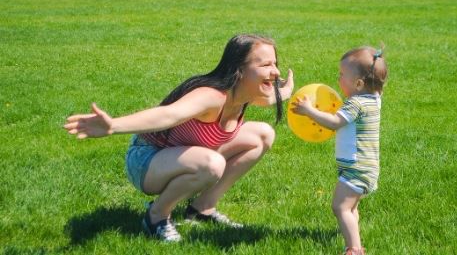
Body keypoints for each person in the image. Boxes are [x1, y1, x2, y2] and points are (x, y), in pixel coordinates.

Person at [64, 34, 294, 242]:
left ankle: (202, 208)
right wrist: (113, 125)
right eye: (265, 65)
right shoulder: (212, 97)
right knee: (212, 164)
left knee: (263, 134)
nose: (275, 72)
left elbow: (270, 99)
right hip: (146, 160)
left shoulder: (246, 95)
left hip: (182, 156)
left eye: (275, 64)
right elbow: (168, 114)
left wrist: (285, 92)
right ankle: (156, 216)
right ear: (239, 70)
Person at [291, 46, 387, 255]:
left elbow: (334, 122)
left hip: (356, 167)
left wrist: (309, 110)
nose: (338, 78)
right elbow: (378, 86)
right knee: (351, 207)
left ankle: (354, 249)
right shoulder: (374, 99)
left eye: (342, 75)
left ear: (359, 83)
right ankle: (353, 237)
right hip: (366, 167)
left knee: (340, 207)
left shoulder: (355, 103)